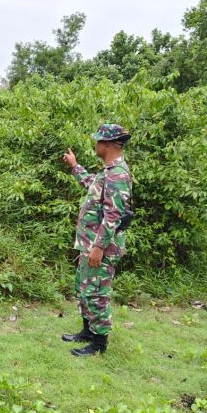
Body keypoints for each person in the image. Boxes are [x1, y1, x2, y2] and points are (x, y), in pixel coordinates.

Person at [61, 123, 133, 357]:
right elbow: (90, 184)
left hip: (101, 247)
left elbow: (113, 215)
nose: (95, 144)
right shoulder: (108, 171)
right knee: (84, 288)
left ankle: (99, 343)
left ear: (107, 145)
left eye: (98, 141)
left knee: (96, 293)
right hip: (90, 243)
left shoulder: (118, 174)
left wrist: (99, 247)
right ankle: (88, 331)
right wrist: (74, 166)